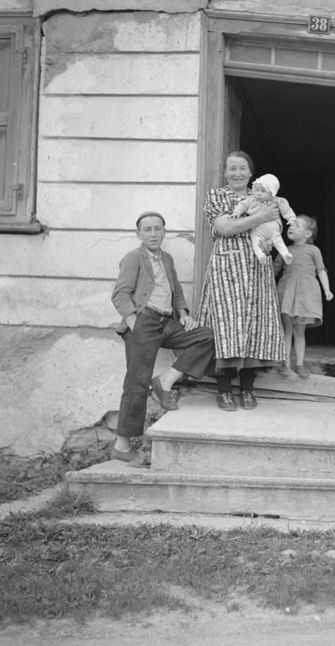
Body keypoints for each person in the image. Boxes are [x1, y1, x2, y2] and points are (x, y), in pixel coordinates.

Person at [111, 211, 215, 462]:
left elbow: (176, 291)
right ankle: (121, 446)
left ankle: (166, 380)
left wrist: (184, 314)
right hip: (144, 322)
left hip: (167, 322)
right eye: (147, 229)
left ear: (164, 232)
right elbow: (120, 294)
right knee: (136, 382)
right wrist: (135, 324)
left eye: (158, 229)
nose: (153, 234)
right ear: (138, 234)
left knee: (208, 337)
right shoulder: (133, 258)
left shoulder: (167, 258)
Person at [197, 151, 287, 411]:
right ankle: (224, 391)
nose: (237, 173)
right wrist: (259, 218)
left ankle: (247, 389)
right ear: (225, 172)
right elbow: (224, 228)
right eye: (232, 168)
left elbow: (275, 228)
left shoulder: (264, 196)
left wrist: (269, 240)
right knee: (226, 327)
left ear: (251, 173)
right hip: (226, 270)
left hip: (257, 268)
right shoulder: (217, 196)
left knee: (256, 325)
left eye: (242, 168)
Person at [274, 214, 334, 378]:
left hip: (306, 294)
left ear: (308, 233)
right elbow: (274, 269)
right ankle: (285, 363)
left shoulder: (314, 250)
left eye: (297, 225)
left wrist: (327, 290)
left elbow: (321, 270)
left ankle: (299, 364)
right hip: (287, 293)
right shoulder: (284, 249)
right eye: (290, 225)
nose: (291, 227)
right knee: (287, 330)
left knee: (299, 331)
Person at [231, 173, 297, 266]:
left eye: (263, 191)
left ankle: (285, 254)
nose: (258, 193)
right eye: (256, 190)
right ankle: (261, 256)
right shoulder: (251, 199)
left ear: (272, 192)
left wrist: (291, 218)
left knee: (278, 240)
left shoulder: (277, 200)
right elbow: (242, 205)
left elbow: (286, 210)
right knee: (255, 240)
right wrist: (237, 212)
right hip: (257, 229)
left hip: (273, 227)